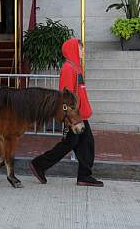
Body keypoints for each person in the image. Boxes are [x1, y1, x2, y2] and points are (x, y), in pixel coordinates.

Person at [29, 38, 104, 187]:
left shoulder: (75, 67)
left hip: (77, 114)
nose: (83, 52)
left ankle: (81, 175)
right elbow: (65, 95)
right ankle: (40, 165)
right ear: (73, 50)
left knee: (80, 143)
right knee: (76, 143)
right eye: (80, 49)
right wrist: (68, 117)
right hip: (74, 116)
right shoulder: (69, 68)